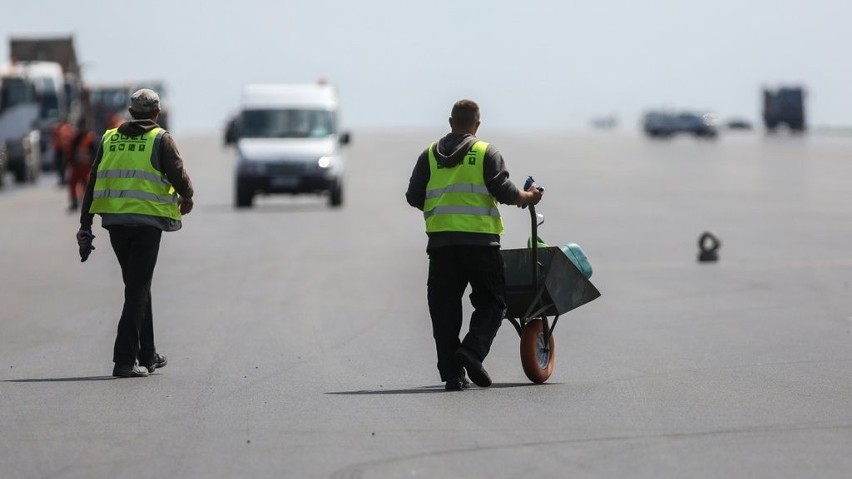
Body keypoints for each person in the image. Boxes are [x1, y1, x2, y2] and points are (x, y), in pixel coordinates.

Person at [405, 99, 543, 390]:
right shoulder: (485, 152)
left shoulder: (429, 156)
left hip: (441, 246)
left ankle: (453, 375)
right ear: (476, 125)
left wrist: (443, 209)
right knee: (493, 302)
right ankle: (471, 352)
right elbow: (505, 192)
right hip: (481, 244)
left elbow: (414, 197)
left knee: (443, 309)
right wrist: (529, 197)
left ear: (451, 122)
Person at [76, 89, 194, 378]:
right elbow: (178, 174)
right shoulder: (160, 138)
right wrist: (187, 196)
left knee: (138, 285)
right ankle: (124, 360)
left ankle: (148, 353)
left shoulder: (109, 138)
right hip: (146, 225)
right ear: (156, 113)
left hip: (115, 223)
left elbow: (92, 181)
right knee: (138, 288)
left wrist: (85, 224)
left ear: (131, 112)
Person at [67, 120, 97, 210]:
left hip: (85, 166)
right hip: (77, 165)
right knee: (74, 183)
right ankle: (75, 201)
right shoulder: (75, 138)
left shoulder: (90, 138)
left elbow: (94, 152)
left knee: (86, 185)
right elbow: (70, 152)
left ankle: (86, 202)